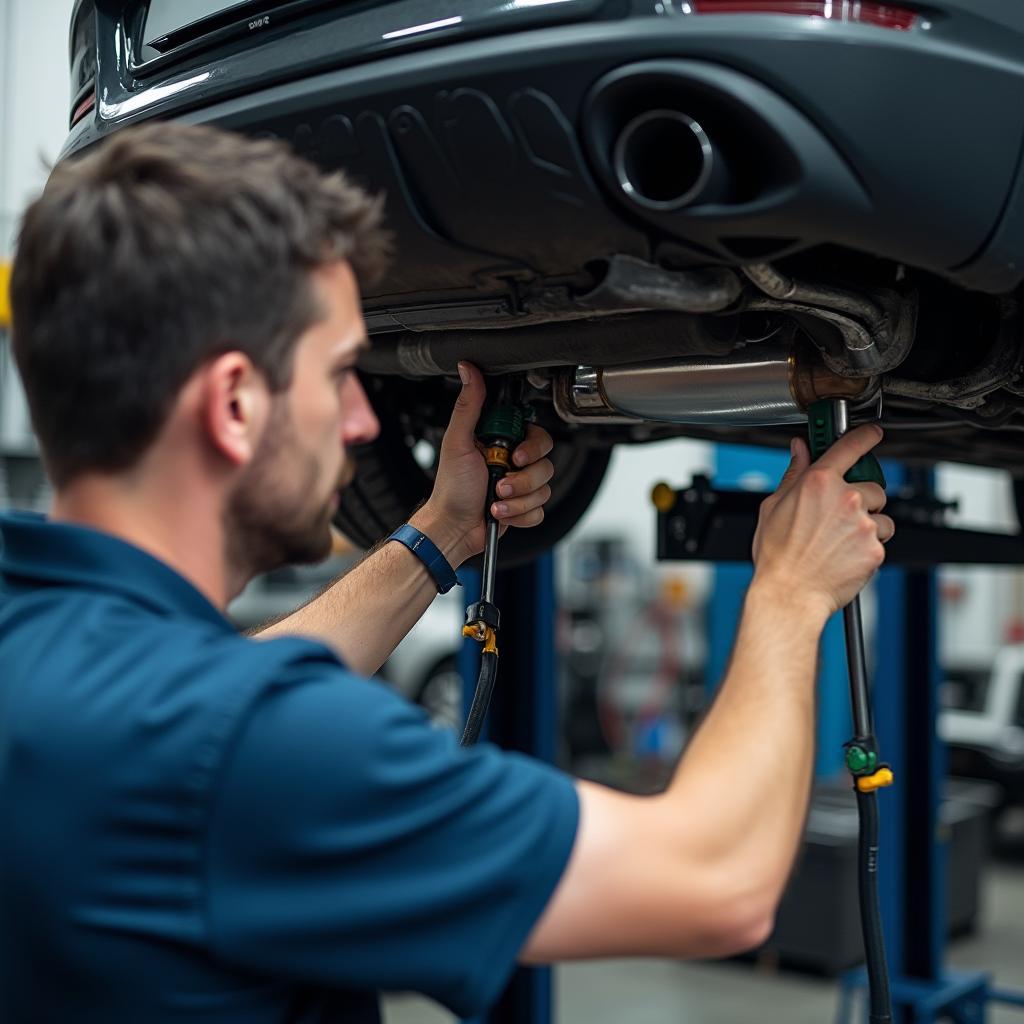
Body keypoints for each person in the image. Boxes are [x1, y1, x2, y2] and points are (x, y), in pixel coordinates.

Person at [0, 123, 893, 1024]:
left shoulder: (33, 634)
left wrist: (443, 531)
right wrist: (790, 591)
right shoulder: (255, 754)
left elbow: (202, 702)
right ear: (234, 403)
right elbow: (716, 881)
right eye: (342, 373)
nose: (361, 421)